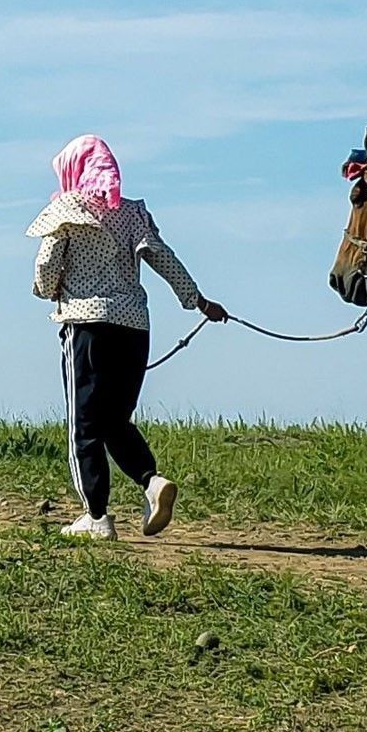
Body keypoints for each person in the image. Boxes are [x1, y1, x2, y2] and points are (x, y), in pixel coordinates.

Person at [28, 134, 227, 540]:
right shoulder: (132, 213)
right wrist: (199, 301)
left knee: (83, 423)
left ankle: (96, 516)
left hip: (86, 325)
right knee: (114, 419)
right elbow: (163, 257)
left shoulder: (66, 210)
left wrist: (49, 291)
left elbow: (47, 266)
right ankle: (152, 483)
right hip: (135, 327)